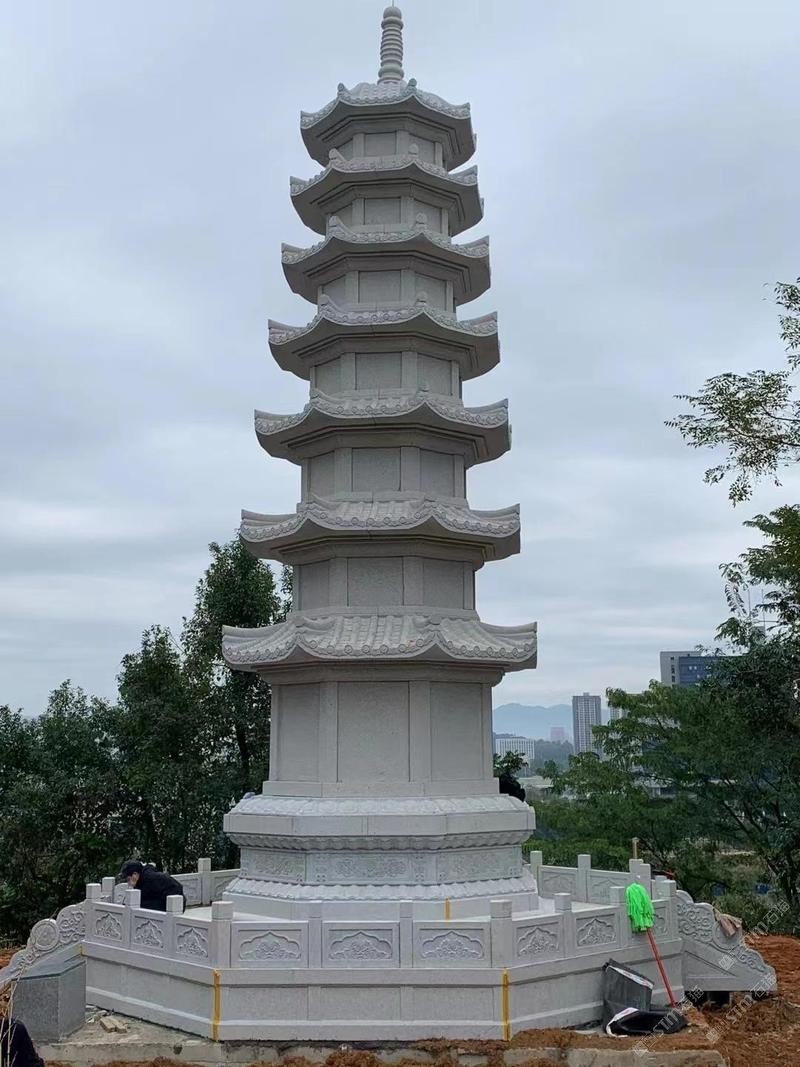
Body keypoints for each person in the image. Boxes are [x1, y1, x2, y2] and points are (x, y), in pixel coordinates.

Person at [119, 860, 186, 912]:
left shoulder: (151, 877)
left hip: (174, 904)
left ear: (135, 874)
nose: (128, 883)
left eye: (128, 879)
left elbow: (177, 887)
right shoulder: (140, 881)